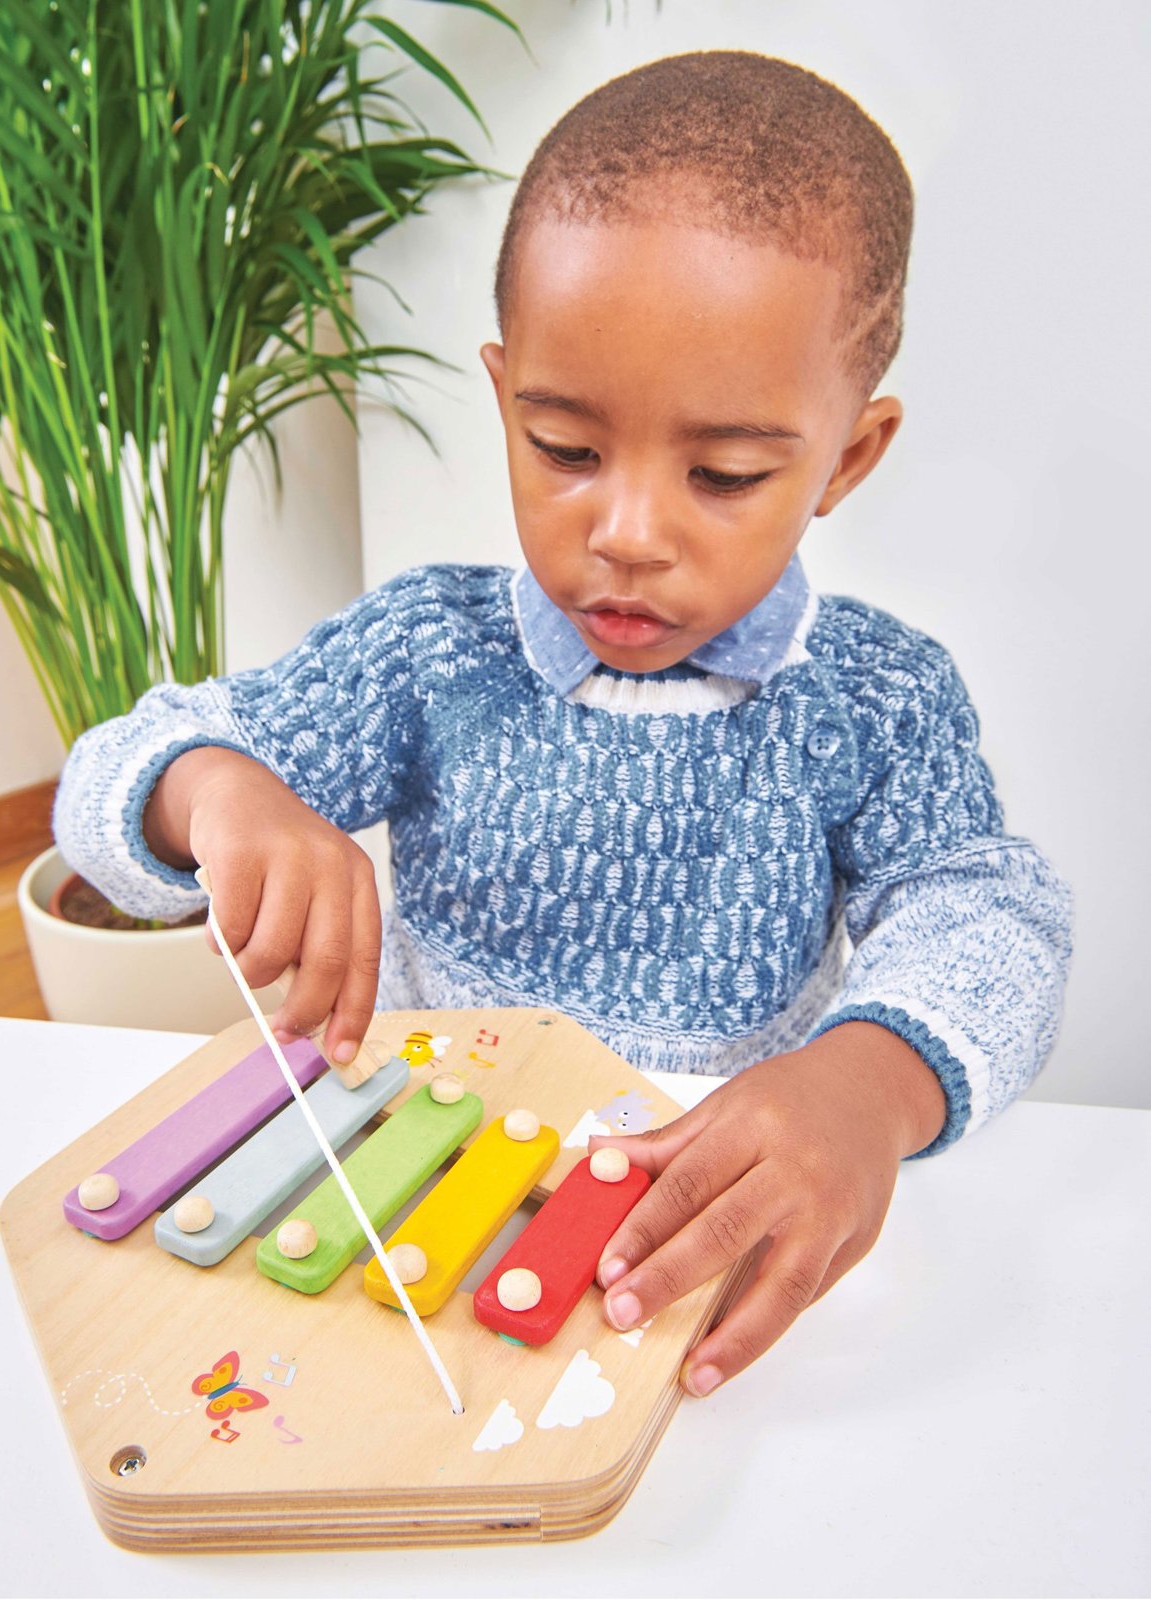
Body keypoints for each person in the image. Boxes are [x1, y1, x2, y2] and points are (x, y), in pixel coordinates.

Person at [55, 51, 1073, 1399]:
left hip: (696, 1253)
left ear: (847, 458)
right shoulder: (424, 649)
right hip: (416, 1241)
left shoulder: (880, 696)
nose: (628, 534)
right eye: (566, 451)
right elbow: (108, 777)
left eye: (723, 473)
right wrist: (214, 788)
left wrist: (873, 1086)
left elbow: (993, 912)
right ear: (504, 397)